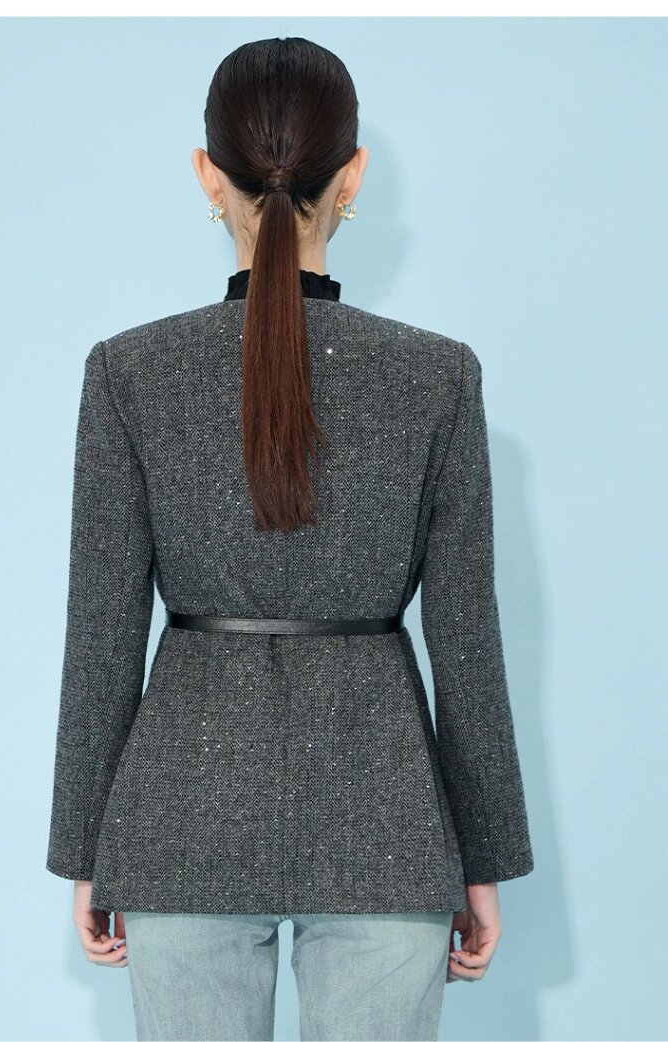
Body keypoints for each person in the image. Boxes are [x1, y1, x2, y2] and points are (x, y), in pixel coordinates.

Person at [45, 35, 534, 1042]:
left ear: (207, 176)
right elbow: (467, 645)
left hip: (178, 821)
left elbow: (100, 635)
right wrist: (479, 858)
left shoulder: (130, 372)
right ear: (352, 177)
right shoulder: (437, 376)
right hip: (388, 823)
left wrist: (88, 848)